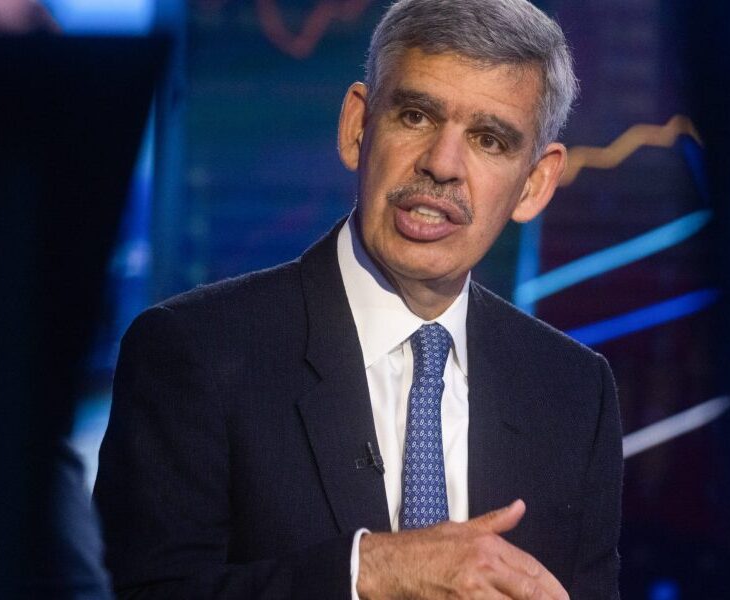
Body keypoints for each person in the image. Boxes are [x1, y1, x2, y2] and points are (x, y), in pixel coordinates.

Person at [94, 0, 622, 598]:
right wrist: (367, 572)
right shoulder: (195, 352)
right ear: (357, 128)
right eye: (416, 116)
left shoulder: (573, 391)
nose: (442, 165)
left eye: (488, 139)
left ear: (535, 183)